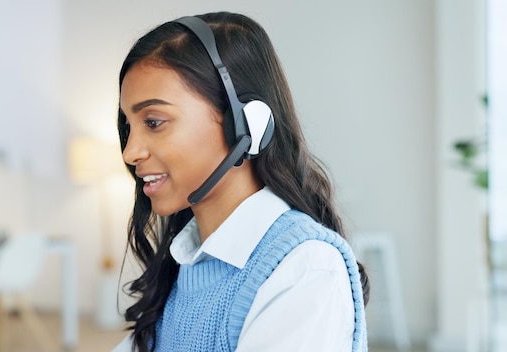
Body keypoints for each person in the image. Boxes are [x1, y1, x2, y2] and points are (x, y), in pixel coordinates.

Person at [114, 11, 369, 352]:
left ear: (248, 125)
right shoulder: (184, 262)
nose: (131, 152)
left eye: (155, 122)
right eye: (128, 126)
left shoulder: (305, 269)